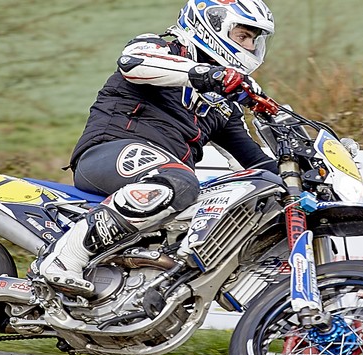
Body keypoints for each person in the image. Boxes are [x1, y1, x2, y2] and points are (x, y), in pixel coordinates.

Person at [35, 0, 279, 296]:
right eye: (243, 36)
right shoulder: (159, 48)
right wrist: (210, 75)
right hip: (108, 153)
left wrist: (300, 176)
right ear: (211, 26)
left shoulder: (222, 105)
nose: (250, 46)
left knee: (243, 195)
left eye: (254, 39)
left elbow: (253, 162)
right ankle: (64, 257)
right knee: (179, 181)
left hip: (162, 178)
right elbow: (133, 64)